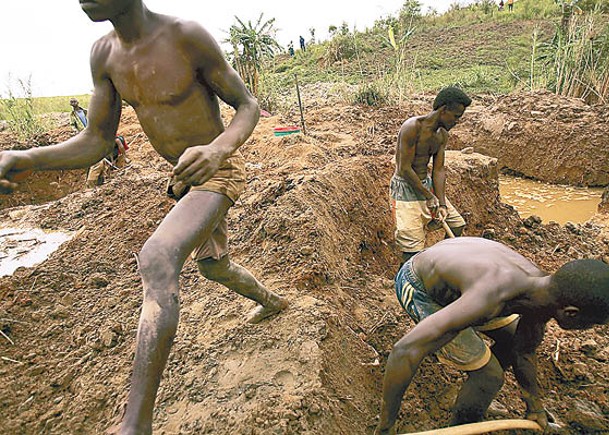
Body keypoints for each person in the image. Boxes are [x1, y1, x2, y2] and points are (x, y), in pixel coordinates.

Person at [0, 1, 288, 433]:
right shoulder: (104, 55)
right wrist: (27, 158)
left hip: (218, 169)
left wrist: (218, 149)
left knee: (158, 257)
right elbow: (98, 139)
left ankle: (136, 425)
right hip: (183, 179)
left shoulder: (185, 37)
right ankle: (272, 301)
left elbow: (247, 106)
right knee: (213, 267)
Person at [375, 237, 609, 434]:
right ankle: (464, 423)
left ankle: (476, 391)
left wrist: (534, 406)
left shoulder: (545, 292)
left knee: (509, 341)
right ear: (571, 314)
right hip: (418, 284)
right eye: (592, 325)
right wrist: (386, 427)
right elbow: (405, 350)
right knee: (490, 376)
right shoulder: (490, 298)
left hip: (457, 265)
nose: (589, 331)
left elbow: (524, 350)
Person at [390, 87, 470, 266]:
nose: (457, 122)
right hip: (405, 190)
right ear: (444, 110)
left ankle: (439, 267)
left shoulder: (442, 135)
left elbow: (439, 170)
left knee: (456, 224)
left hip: (426, 185)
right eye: (456, 116)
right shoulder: (412, 128)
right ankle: (409, 283)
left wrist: (441, 202)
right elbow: (404, 168)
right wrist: (429, 196)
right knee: (412, 251)